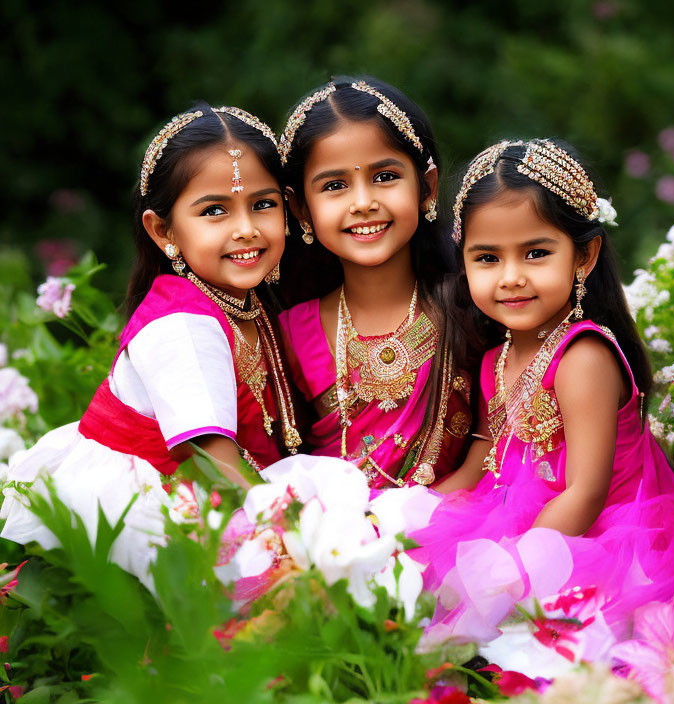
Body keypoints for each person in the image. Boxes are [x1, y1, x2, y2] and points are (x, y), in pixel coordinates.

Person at [407, 139, 674, 689]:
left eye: (536, 253)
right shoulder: (494, 358)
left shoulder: (582, 356)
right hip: (521, 525)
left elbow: (585, 490)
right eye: (488, 258)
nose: (510, 276)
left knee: (600, 677)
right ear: (463, 259)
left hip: (602, 543)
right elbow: (483, 463)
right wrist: (414, 511)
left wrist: (512, 570)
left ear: (584, 255)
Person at [1, 105, 305, 581]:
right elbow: (208, 460)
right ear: (163, 231)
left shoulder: (249, 303)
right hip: (151, 513)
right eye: (214, 211)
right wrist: (300, 537)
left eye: (263, 204)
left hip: (214, 493)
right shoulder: (182, 323)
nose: (246, 227)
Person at [277, 77, 471, 490]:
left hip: (455, 528)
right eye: (334, 186)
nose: (363, 202)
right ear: (300, 209)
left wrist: (411, 518)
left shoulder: (472, 305)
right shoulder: (291, 333)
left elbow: (493, 445)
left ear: (427, 187)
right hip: (333, 543)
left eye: (384, 176)